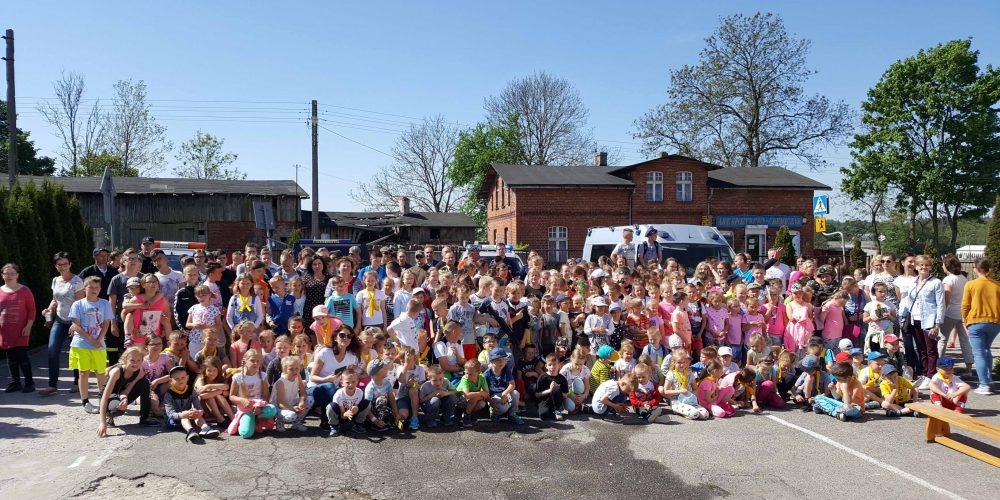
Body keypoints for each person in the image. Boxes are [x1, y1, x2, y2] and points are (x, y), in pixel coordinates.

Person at [41, 252, 85, 396]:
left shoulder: (77, 281)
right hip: (60, 320)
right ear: (55, 266)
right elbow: (55, 300)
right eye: (59, 264)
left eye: (65, 264)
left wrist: (75, 323)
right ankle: (52, 385)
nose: (62, 267)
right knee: (52, 349)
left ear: (70, 264)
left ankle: (77, 382)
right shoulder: (55, 280)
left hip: (75, 321)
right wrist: (48, 310)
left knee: (76, 352)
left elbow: (80, 304)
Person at [899, 255, 944, 390]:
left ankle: (931, 376)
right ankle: (924, 374)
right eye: (921, 265)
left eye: (927, 265)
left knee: (931, 350)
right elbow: (909, 301)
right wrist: (905, 315)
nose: (923, 267)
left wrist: (937, 324)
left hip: (929, 320)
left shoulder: (936, 282)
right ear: (916, 267)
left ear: (930, 267)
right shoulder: (913, 281)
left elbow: (940, 304)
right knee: (921, 349)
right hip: (914, 319)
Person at [67, 276, 111, 411]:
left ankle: (102, 399)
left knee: (100, 373)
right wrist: (91, 340)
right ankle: (85, 401)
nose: (94, 290)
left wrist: (99, 339)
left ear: (100, 289)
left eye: (96, 287)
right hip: (81, 344)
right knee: (83, 372)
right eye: (90, 287)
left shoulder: (104, 303)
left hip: (99, 344)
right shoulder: (78, 304)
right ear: (85, 288)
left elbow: (106, 323)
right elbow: (76, 325)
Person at [97, 346, 159, 436]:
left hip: (121, 394)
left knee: (144, 382)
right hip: (109, 397)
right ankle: (108, 415)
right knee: (116, 409)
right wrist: (102, 423)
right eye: (132, 360)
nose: (135, 364)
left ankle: (145, 417)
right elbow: (104, 397)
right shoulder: (117, 372)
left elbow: (126, 391)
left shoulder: (139, 371)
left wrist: (124, 399)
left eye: (139, 361)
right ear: (125, 359)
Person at [960, 258, 1000, 396]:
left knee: (979, 353)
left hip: (976, 321)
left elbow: (965, 305)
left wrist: (964, 320)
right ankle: (988, 379)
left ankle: (984, 384)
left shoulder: (971, 284)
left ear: (975, 269)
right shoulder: (997, 285)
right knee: (986, 350)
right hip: (995, 322)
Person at [163, 365, 220, 443]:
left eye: (183, 378)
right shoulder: (168, 394)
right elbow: (170, 414)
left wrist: (199, 412)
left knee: (196, 413)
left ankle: (205, 428)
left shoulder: (192, 391)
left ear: (187, 378)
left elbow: (198, 406)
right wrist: (182, 415)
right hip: (174, 420)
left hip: (189, 416)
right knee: (185, 415)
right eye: (177, 379)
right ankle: (190, 431)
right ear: (171, 381)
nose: (180, 380)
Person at [939, 255, 973, 371]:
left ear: (947, 266)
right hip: (962, 313)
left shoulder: (948, 279)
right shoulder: (963, 278)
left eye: (943, 264)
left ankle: (938, 364)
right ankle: (969, 368)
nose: (942, 266)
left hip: (950, 312)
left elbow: (947, 299)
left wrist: (942, 312)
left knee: (942, 339)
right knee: (964, 341)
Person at [485, 347, 525, 425]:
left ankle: (512, 414)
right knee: (504, 408)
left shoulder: (506, 369)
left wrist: (505, 393)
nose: (502, 362)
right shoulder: (487, 374)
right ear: (492, 361)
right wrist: (491, 402)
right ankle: (494, 414)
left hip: (504, 393)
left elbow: (512, 384)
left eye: (503, 359)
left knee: (516, 393)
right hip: (494, 396)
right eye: (498, 360)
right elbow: (485, 392)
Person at [271, 356, 311, 432]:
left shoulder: (298, 376)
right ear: (285, 370)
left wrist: (302, 401)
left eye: (297, 368)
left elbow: (303, 392)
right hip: (278, 407)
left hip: (291, 402)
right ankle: (279, 421)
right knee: (291, 416)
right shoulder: (281, 383)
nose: (295, 371)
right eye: (291, 369)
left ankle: (297, 422)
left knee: (310, 400)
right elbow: (281, 404)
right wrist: (293, 408)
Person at [456, 358, 490, 425]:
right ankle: (465, 416)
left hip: (472, 398)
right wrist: (480, 393)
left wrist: (477, 397)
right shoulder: (465, 379)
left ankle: (469, 414)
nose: (467, 376)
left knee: (482, 404)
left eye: (470, 374)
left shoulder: (482, 378)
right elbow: (467, 395)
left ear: (478, 372)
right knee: (473, 399)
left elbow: (486, 393)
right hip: (460, 400)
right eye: (466, 373)